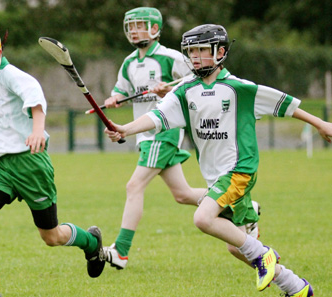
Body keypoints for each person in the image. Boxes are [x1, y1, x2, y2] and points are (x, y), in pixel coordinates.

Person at [104, 24, 332, 297]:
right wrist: (125, 129)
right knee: (236, 247)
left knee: (203, 218)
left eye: (202, 50)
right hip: (215, 178)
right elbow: (158, 118)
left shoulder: (240, 88)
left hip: (240, 170)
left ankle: (264, 255)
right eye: (191, 51)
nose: (195, 57)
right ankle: (294, 285)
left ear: (220, 52)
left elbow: (286, 105)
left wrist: (321, 124)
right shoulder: (185, 91)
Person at [0, 22, 106, 297]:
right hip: (0, 167)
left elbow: (35, 100)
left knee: (51, 236)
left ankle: (91, 241)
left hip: (31, 163)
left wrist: (38, 131)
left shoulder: (11, 76)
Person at [102, 7, 258, 270]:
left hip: (162, 133)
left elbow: (198, 75)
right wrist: (114, 98)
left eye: (141, 25)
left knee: (134, 186)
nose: (135, 31)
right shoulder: (129, 62)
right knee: (182, 194)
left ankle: (121, 251)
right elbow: (121, 89)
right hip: (145, 134)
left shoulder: (170, 57)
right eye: (132, 26)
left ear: (155, 28)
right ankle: (243, 204)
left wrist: (169, 86)